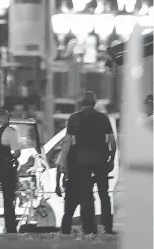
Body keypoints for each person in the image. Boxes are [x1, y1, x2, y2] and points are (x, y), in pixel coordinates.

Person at [57, 91, 116, 235]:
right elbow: (112, 142)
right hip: (101, 160)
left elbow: (67, 142)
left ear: (81, 103)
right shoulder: (103, 118)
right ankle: (108, 227)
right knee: (104, 194)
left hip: (81, 161)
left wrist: (63, 161)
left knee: (86, 195)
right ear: (94, 103)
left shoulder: (74, 119)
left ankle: (89, 228)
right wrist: (111, 160)